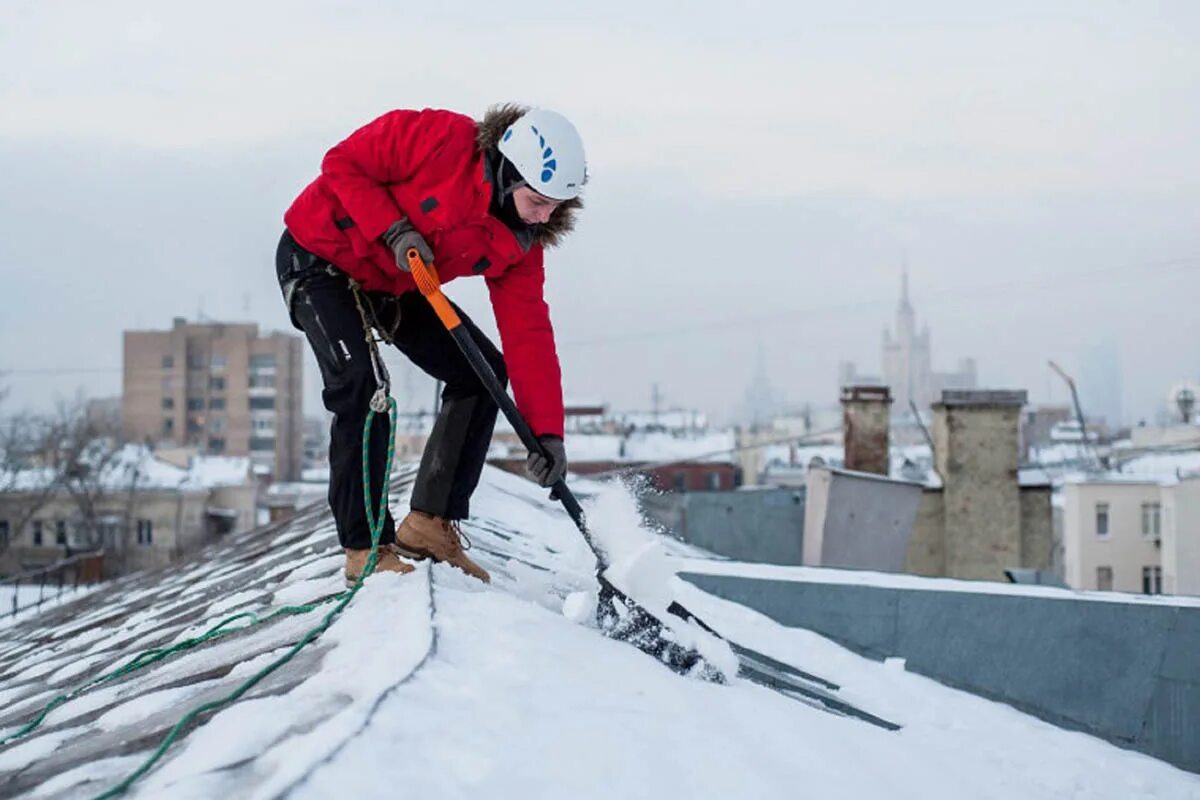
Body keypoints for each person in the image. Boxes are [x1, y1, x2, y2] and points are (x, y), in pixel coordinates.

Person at [276, 104, 584, 585]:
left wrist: (547, 433)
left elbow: (529, 332)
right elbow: (342, 163)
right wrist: (392, 228)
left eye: (555, 207)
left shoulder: (521, 243)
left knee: (482, 373)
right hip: (320, 255)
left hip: (395, 281)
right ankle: (365, 548)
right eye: (538, 200)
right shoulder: (437, 137)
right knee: (364, 388)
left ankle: (429, 524)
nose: (545, 215)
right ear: (509, 172)